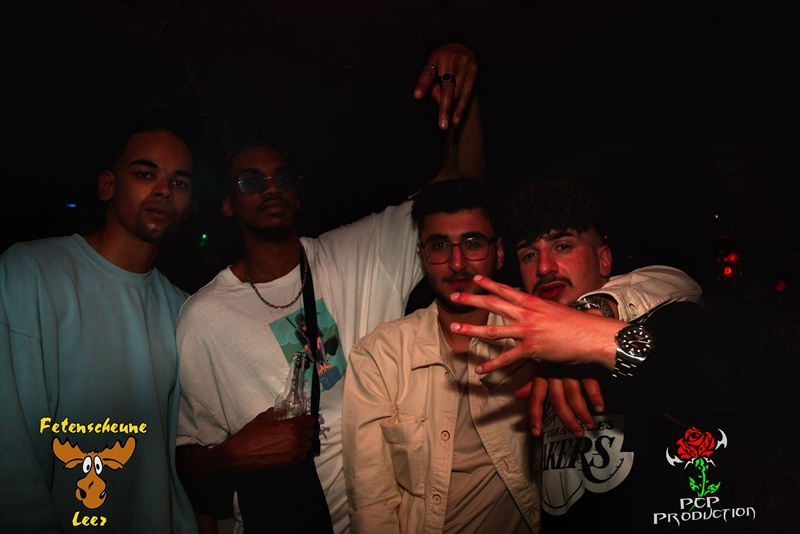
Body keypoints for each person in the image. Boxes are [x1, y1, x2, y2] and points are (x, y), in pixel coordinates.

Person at [174, 44, 484, 534]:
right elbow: (187, 457)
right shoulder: (203, 319)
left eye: (281, 177)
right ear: (228, 204)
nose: (270, 187)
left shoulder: (356, 253)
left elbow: (459, 187)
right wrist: (228, 456)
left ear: (297, 195)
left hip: (387, 518)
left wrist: (463, 92)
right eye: (251, 182)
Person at [447, 180, 793, 531]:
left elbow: (775, 407)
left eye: (563, 246)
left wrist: (598, 336)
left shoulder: (669, 321)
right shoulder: (525, 350)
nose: (545, 267)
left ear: (604, 260)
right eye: (529, 255)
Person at [0, 128, 198, 532]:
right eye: (145, 174)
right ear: (107, 186)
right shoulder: (30, 272)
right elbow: (11, 449)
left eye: (179, 182)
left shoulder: (186, 310)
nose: (164, 190)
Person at [343, 179, 541, 533]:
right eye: (439, 246)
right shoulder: (379, 355)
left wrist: (604, 305)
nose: (457, 262)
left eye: (472, 243)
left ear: (498, 251)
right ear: (422, 256)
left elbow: (652, 286)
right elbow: (372, 503)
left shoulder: (535, 326)